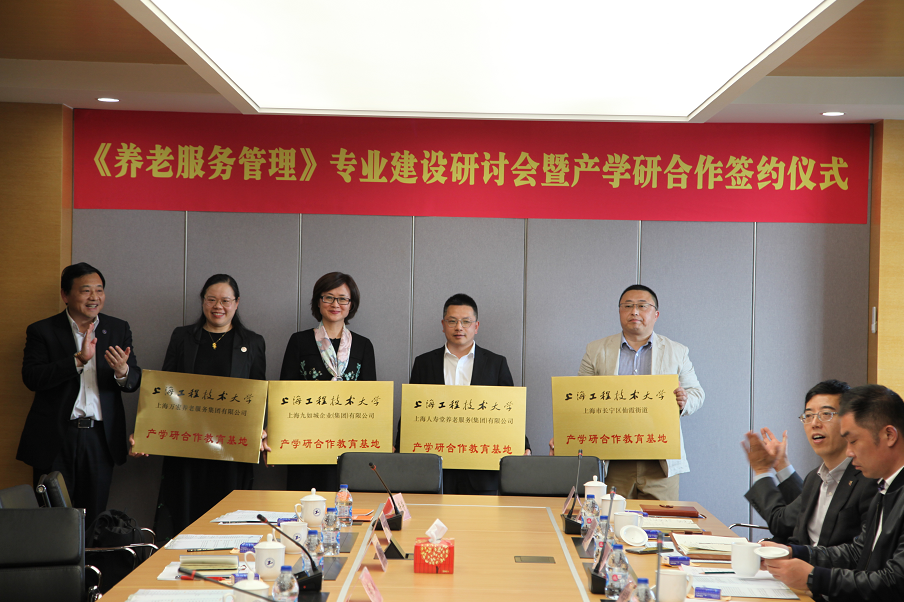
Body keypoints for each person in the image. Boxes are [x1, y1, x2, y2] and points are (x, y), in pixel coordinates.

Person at [134, 274, 267, 541]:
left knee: (227, 517)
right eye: (211, 299)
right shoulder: (183, 337)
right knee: (184, 514)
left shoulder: (252, 342)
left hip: (231, 449)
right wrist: (146, 431)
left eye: (225, 300)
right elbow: (164, 388)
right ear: (203, 301)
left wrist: (260, 431)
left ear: (237, 303)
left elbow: (258, 394)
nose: (218, 306)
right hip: (187, 445)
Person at [551, 284, 703, 501]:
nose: (634, 311)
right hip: (612, 459)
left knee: (660, 519)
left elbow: (696, 393)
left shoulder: (677, 351)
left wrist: (684, 401)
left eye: (642, 306)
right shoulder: (596, 350)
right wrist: (564, 435)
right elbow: (580, 400)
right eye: (628, 306)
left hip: (659, 461)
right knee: (610, 517)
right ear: (620, 311)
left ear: (656, 314)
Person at [18, 262, 141, 525]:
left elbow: (133, 381)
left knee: (93, 517)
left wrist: (123, 371)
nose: (94, 297)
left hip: (100, 438)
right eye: (86, 290)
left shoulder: (117, 328)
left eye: (99, 290)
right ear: (66, 295)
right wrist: (78, 360)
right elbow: (32, 378)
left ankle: (89, 555)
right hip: (56, 437)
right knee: (52, 519)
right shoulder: (42, 331)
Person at [763, 384, 904, 600]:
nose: (849, 452)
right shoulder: (885, 487)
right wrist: (794, 552)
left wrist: (814, 577)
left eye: (853, 441)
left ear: (889, 435)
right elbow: (858, 552)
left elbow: (895, 581)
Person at [398, 293, 531, 495]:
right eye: (452, 321)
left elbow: (510, 411)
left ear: (476, 326)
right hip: (435, 468)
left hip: (481, 469)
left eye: (466, 322)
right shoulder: (424, 363)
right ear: (443, 325)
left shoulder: (496, 364)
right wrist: (399, 446)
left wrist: (523, 445)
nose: (459, 327)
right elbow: (411, 411)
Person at [743, 379, 877, 547]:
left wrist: (763, 469)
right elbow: (786, 525)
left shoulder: (870, 478)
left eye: (826, 414)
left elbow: (860, 552)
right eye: (808, 416)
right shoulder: (815, 478)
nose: (815, 423)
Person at [280, 272, 376, 492]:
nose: (335, 304)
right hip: (306, 439)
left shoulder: (363, 345)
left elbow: (371, 398)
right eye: (328, 297)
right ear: (318, 301)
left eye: (342, 299)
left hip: (349, 439)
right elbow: (283, 393)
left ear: (351, 304)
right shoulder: (299, 341)